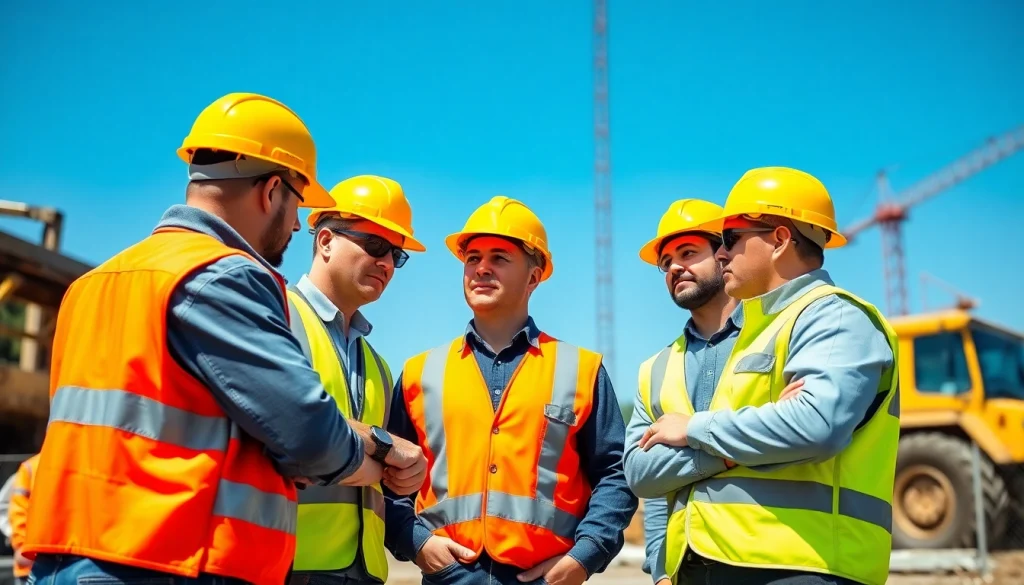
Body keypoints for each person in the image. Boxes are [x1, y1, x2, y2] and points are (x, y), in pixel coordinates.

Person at [21, 93, 411, 585]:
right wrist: (379, 456)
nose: (296, 223)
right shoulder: (223, 275)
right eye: (297, 203)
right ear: (272, 190)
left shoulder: (92, 284)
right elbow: (307, 434)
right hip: (164, 558)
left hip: (68, 555)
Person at [633, 167, 900, 585]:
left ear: (779, 239)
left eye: (731, 239)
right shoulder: (728, 345)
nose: (724, 255)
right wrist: (747, 440)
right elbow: (640, 472)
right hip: (704, 567)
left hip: (807, 566)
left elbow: (814, 426)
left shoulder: (835, 317)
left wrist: (695, 429)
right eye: (665, 262)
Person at [383, 196, 638, 585]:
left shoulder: (580, 370)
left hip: (546, 576)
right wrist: (416, 542)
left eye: (499, 258)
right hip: (448, 575)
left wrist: (584, 557)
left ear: (534, 277)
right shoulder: (420, 372)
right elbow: (390, 477)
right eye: (472, 258)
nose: (481, 268)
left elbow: (615, 473)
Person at [287, 175, 429, 585]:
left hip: (365, 571)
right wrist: (383, 448)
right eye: (375, 245)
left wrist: (406, 475)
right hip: (290, 565)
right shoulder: (277, 318)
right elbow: (284, 430)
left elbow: (388, 474)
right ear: (325, 241)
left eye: (396, 255)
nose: (387, 263)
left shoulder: (379, 367)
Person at [622, 199, 739, 585]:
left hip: (770, 561)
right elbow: (641, 474)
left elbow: (790, 433)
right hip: (684, 570)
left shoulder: (771, 339)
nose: (674, 267)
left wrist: (689, 438)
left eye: (688, 253)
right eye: (666, 261)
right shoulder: (655, 369)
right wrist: (659, 570)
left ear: (724, 255)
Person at [2, 454, 40, 585]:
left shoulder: (31, 466)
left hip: (39, 561)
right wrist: (20, 543)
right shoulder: (31, 467)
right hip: (32, 564)